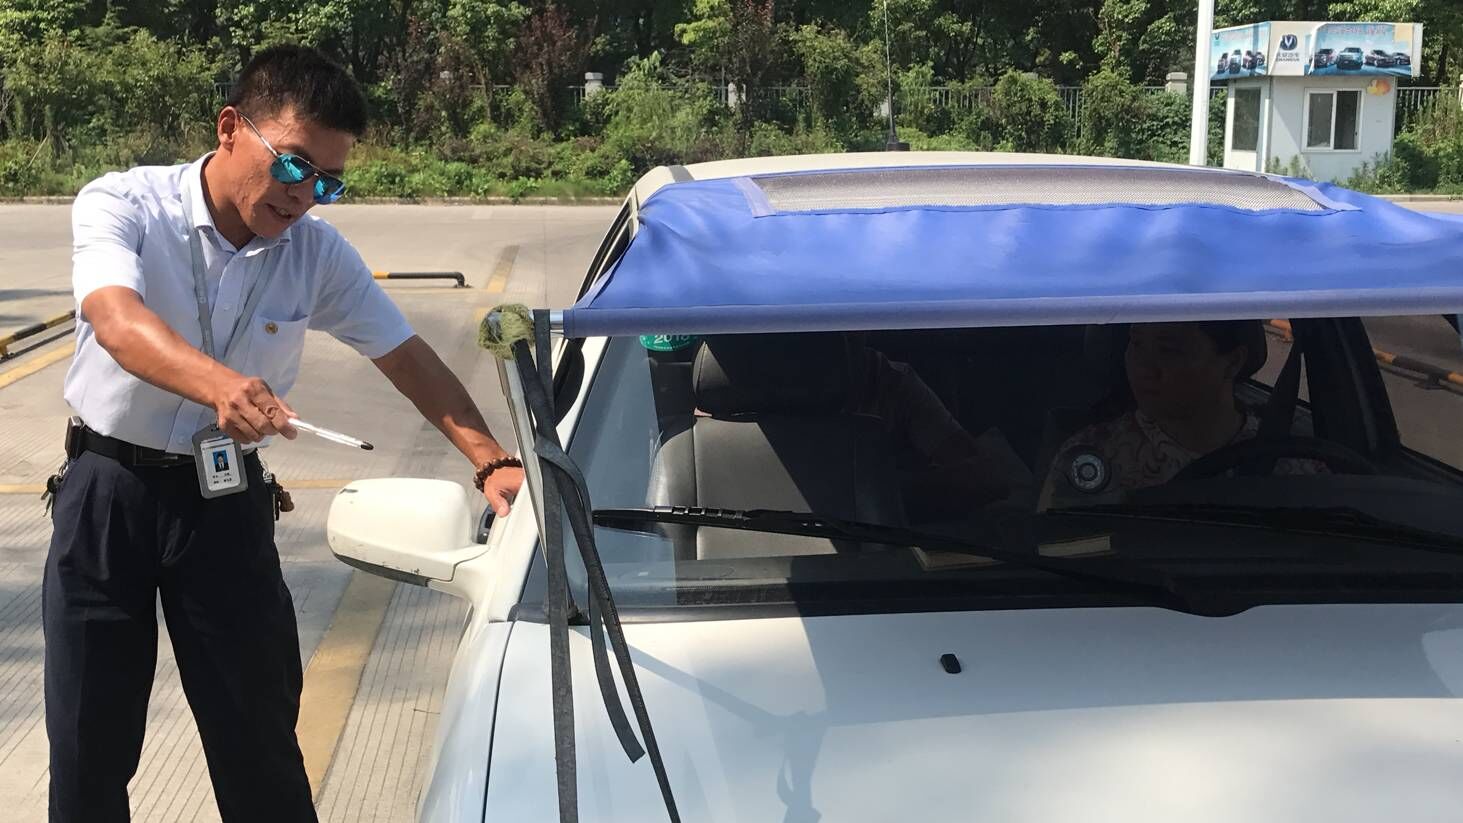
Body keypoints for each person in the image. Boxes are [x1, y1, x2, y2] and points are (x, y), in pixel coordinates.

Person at [45, 46, 524, 822]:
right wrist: (219, 384)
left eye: (328, 182)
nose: (305, 196)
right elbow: (115, 319)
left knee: (258, 737)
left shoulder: (316, 254)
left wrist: (490, 459)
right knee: (86, 744)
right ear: (230, 127)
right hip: (109, 493)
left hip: (224, 502)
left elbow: (404, 354)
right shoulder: (126, 205)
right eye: (295, 165)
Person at [1039, 320, 1313, 507]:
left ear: (1232, 363)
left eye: (1168, 350)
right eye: (1136, 343)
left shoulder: (1296, 464)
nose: (1144, 367)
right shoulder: (1089, 461)